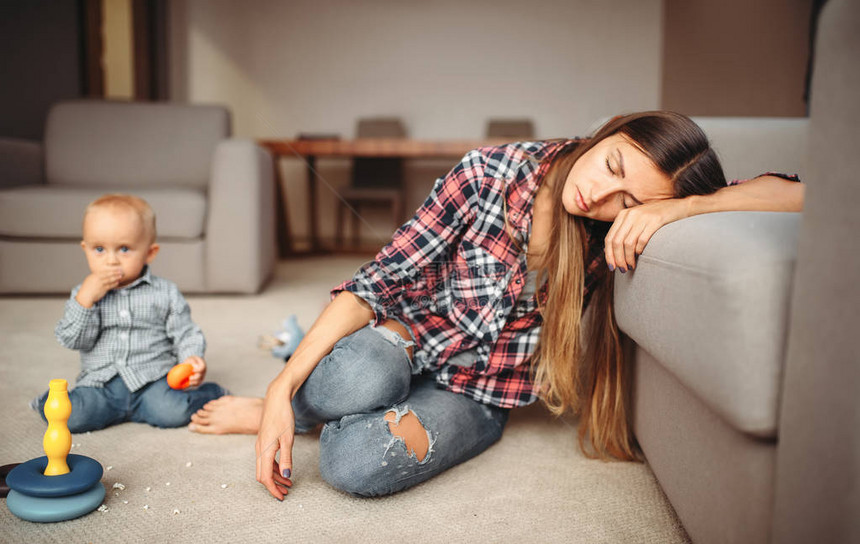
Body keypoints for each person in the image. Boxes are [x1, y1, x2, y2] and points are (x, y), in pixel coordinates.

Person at [188, 111, 803, 499]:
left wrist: (681, 208)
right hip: (406, 341)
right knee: (352, 375)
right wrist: (279, 385)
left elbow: (804, 194)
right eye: (612, 164)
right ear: (608, 132)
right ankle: (296, 408)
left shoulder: (611, 231)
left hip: (477, 397)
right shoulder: (488, 173)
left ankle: (316, 419)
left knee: (354, 468)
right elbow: (377, 280)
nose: (601, 195)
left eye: (627, 201)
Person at [30, 194, 228, 433]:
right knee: (73, 417)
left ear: (150, 252)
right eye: (99, 249)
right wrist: (86, 300)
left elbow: (186, 333)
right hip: (101, 385)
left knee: (173, 412)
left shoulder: (165, 292)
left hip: (153, 383)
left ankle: (213, 394)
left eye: (124, 249)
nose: (111, 261)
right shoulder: (82, 294)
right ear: (85, 249)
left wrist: (191, 359)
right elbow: (73, 339)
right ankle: (46, 402)